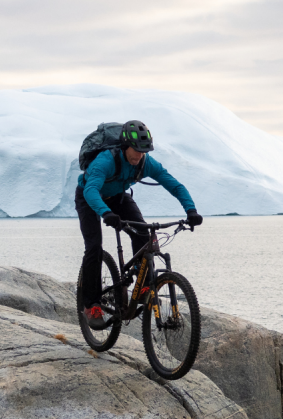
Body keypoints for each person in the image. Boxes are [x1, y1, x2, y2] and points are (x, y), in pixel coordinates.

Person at [76, 120, 202, 327]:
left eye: (144, 151)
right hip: (89, 198)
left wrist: (191, 210)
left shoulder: (146, 163)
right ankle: (91, 305)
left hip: (117, 196)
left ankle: (141, 282)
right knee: (94, 247)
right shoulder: (105, 161)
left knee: (144, 233)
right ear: (125, 146)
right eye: (136, 150)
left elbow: (175, 186)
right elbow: (90, 190)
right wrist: (106, 213)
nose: (139, 155)